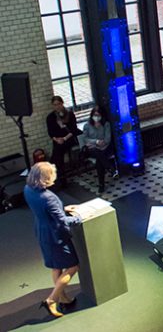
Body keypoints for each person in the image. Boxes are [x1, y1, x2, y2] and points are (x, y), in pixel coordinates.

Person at [24, 162, 80, 318]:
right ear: (45, 177)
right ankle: (51, 300)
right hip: (56, 236)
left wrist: (61, 210)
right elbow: (62, 222)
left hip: (42, 232)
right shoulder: (48, 197)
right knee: (72, 267)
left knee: (56, 267)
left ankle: (63, 298)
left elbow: (44, 210)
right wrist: (78, 218)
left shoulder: (28, 189)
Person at [46, 96, 81, 187]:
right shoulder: (50, 117)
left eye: (58, 104)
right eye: (55, 105)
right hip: (57, 140)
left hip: (69, 138)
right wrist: (56, 139)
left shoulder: (69, 114)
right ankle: (60, 177)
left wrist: (64, 138)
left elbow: (73, 130)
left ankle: (59, 177)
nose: (57, 106)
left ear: (62, 104)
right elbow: (50, 132)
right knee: (58, 152)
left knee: (57, 153)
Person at [82, 106, 113, 193]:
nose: (96, 117)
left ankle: (101, 184)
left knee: (100, 159)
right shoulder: (87, 125)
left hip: (104, 148)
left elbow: (107, 139)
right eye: (94, 115)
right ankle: (109, 167)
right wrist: (96, 142)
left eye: (98, 115)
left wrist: (100, 143)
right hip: (92, 149)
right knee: (98, 153)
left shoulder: (106, 124)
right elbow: (85, 139)